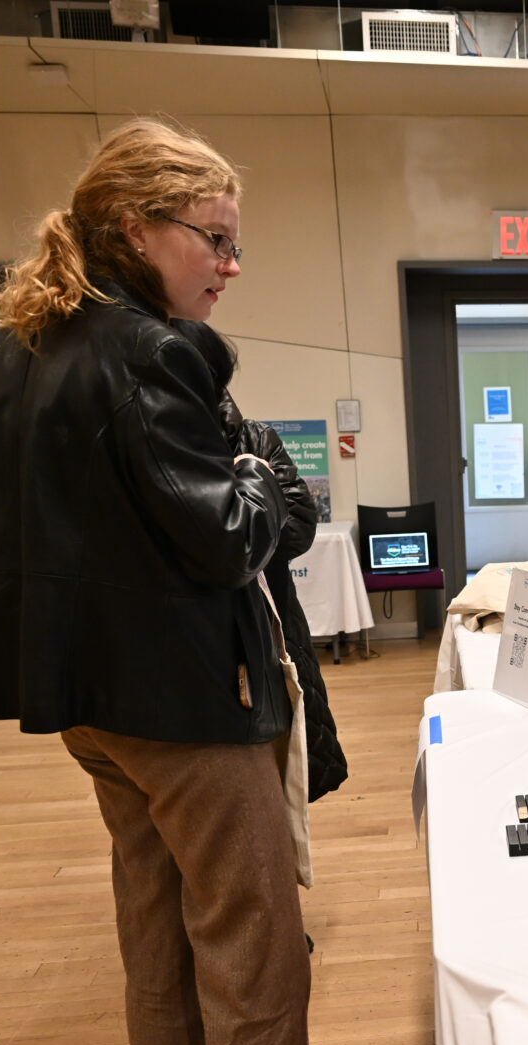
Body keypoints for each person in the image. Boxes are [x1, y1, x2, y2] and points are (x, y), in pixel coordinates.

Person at [0, 119, 379, 1045]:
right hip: (190, 707)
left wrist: (108, 575)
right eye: (215, 237)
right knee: (254, 948)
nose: (231, 263)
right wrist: (270, 479)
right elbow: (238, 533)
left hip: (94, 709)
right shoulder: (157, 352)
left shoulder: (26, 346)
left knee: (159, 936)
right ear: (136, 227)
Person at [174, 318, 348, 801]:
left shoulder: (254, 438)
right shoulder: (156, 444)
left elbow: (298, 528)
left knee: (283, 766)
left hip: (270, 626)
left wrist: (239, 514)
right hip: (191, 643)